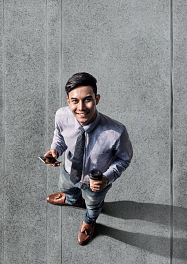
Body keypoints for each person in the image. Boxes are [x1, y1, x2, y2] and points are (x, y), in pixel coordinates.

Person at [44, 72, 133, 245]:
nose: (81, 107)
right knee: (66, 189)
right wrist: (55, 149)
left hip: (95, 185)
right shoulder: (61, 115)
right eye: (75, 101)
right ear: (68, 101)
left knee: (93, 205)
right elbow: (60, 136)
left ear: (97, 98)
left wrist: (107, 178)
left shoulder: (117, 131)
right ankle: (72, 200)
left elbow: (124, 159)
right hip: (68, 171)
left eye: (87, 99)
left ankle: (89, 221)